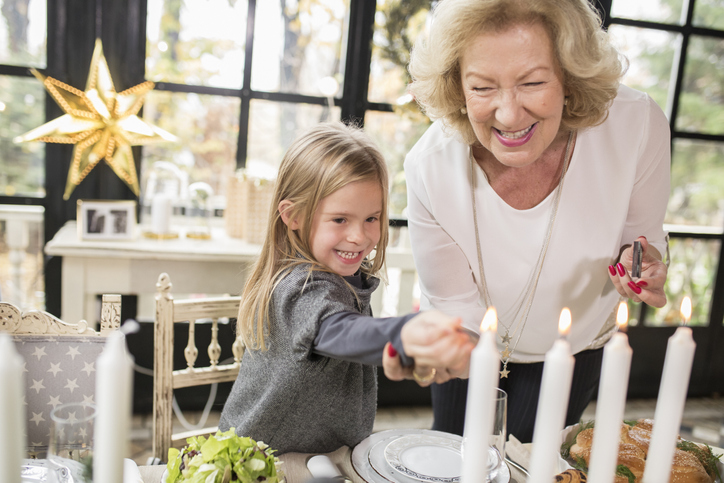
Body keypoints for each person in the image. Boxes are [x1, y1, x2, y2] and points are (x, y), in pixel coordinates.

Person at [387, 0, 671, 443]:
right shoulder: (430, 167)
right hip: (472, 347)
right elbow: (456, 307)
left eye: (533, 82)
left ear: (569, 78)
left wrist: (642, 266)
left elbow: (639, 244)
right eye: (482, 87)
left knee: (540, 465)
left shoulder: (635, 126)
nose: (509, 114)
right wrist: (426, 352)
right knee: (456, 458)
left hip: (573, 348)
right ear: (456, 87)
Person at [218, 122, 474, 454]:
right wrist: (406, 331)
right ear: (292, 215)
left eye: (372, 218)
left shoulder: (345, 279)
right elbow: (340, 331)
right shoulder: (299, 287)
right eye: (340, 220)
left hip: (320, 459)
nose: (360, 236)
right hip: (258, 464)